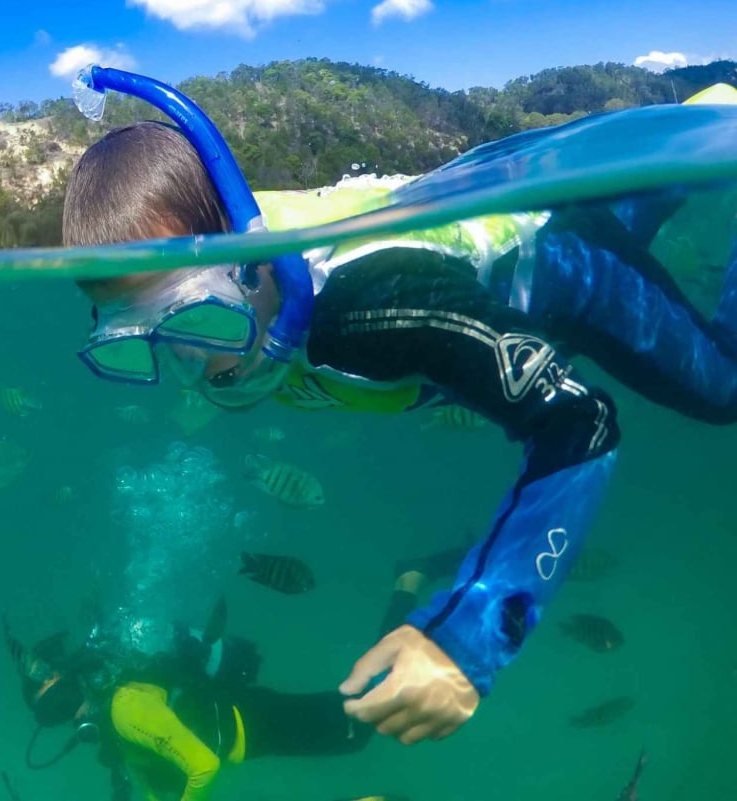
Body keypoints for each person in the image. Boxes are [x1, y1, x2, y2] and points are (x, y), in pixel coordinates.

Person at [60, 67, 737, 745]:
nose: (193, 366)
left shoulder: (374, 309)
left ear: (251, 262)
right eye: (143, 343)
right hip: (520, 252)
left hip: (560, 268)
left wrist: (471, 634)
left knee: (725, 387)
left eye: (197, 318)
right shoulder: (240, 288)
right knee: (630, 207)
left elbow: (579, 421)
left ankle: (715, 134)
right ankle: (701, 129)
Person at [8, 575, 425, 801]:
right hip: (251, 727)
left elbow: (203, 765)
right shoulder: (115, 724)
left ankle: (408, 592)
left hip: (255, 721)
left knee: (367, 717)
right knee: (362, 721)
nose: (70, 719)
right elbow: (151, 776)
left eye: (63, 706)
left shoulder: (123, 709)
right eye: (57, 716)